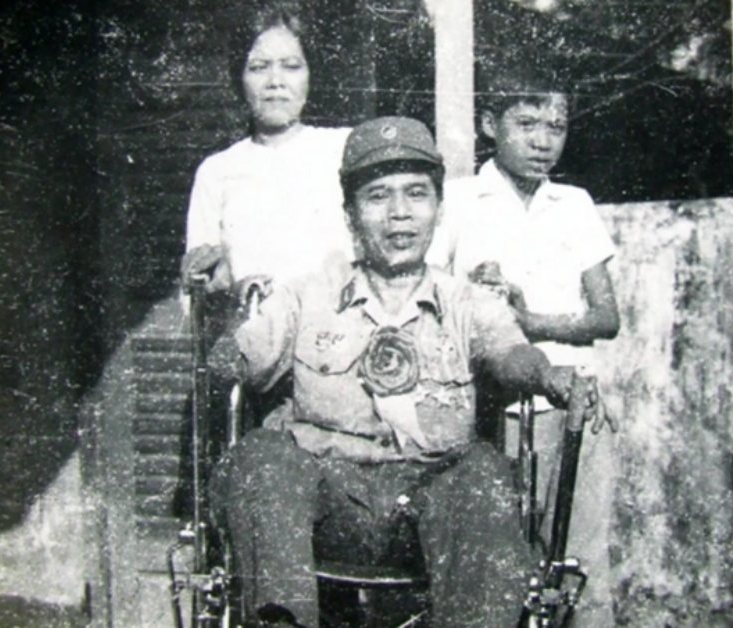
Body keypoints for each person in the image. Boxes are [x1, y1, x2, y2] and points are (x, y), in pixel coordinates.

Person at [210, 117, 590, 627]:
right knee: (259, 455)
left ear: (439, 208)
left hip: (431, 505)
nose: (399, 214)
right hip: (327, 507)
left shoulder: (467, 301)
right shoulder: (307, 294)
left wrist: (546, 375)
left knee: (484, 471)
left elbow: (509, 352)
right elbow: (233, 362)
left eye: (416, 194)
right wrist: (230, 317)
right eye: (377, 196)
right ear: (350, 214)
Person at [427, 58, 620, 624]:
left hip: (574, 406)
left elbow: (606, 316)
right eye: (527, 124)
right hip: (490, 410)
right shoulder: (459, 200)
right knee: (499, 563)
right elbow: (431, 294)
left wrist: (530, 319)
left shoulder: (574, 204)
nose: (543, 141)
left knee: (579, 563)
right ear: (490, 124)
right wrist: (478, 298)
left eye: (556, 127)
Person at [180, 0, 353, 301]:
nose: (275, 82)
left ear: (311, 74)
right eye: (259, 67)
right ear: (240, 78)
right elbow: (199, 289)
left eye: (291, 66)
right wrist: (215, 285)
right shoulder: (216, 172)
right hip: (253, 324)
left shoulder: (344, 148)